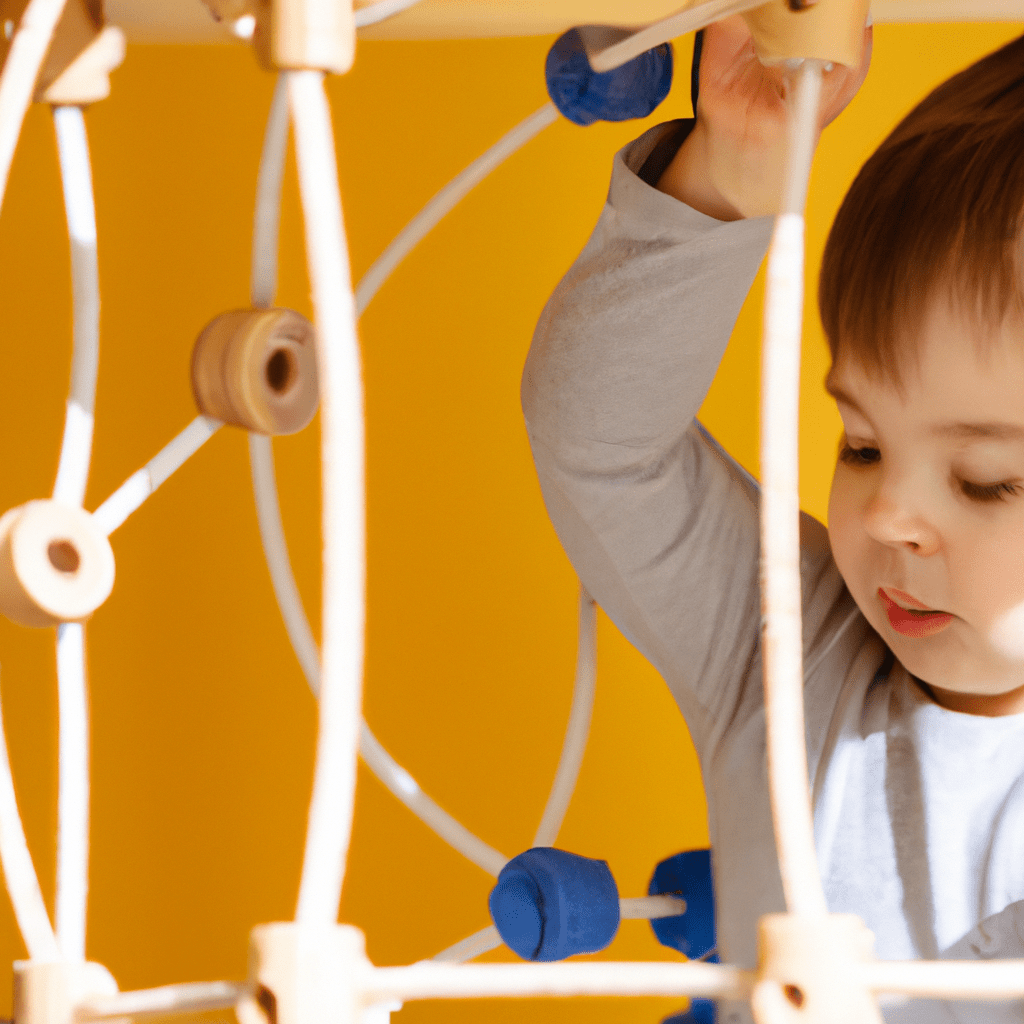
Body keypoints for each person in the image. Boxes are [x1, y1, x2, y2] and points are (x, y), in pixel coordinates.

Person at [522, 18, 1024, 1024]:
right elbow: (601, 443)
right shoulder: (792, 653)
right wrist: (734, 174)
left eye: (982, 480)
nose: (888, 512)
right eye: (861, 443)